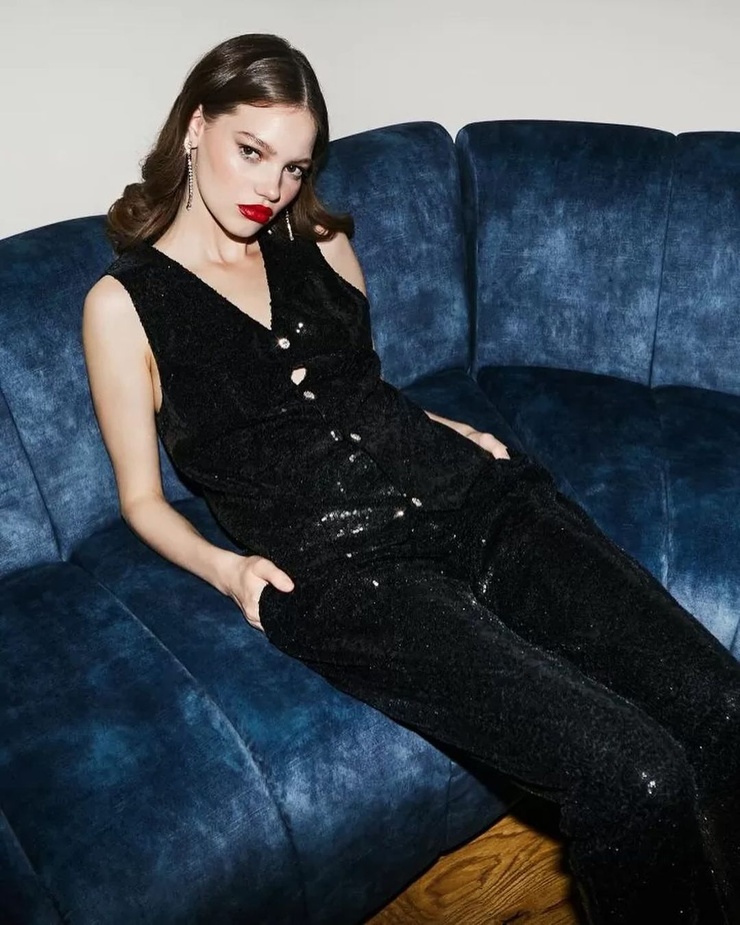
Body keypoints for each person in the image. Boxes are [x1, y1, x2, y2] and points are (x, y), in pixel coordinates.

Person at [82, 33, 740, 925]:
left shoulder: (323, 243)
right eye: (252, 150)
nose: (271, 187)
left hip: (473, 496)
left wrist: (442, 427)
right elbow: (141, 499)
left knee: (722, 703)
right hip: (353, 576)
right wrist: (229, 570)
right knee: (636, 775)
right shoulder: (123, 306)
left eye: (293, 165)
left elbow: (359, 391)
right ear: (197, 126)